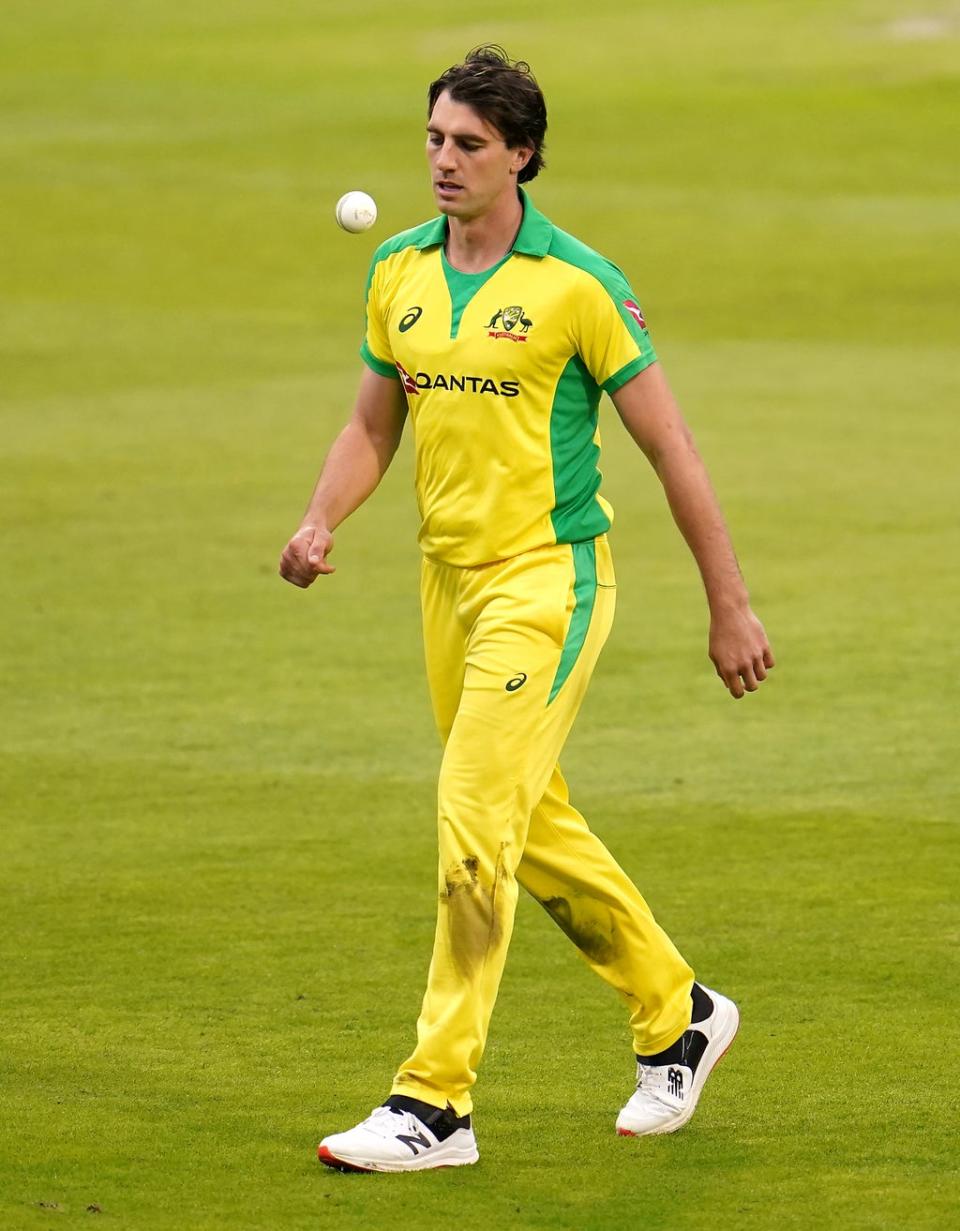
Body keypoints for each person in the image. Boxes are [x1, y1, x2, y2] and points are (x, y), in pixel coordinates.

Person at [279, 45, 774, 1173]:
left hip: (548, 584)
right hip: (444, 585)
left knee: (470, 824)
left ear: (523, 156)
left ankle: (434, 1102)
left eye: (470, 145)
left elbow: (670, 446)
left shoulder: (578, 286)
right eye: (435, 140)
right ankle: (678, 1011)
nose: (444, 162)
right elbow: (372, 426)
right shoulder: (398, 270)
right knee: (522, 817)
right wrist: (320, 522)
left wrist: (729, 606)